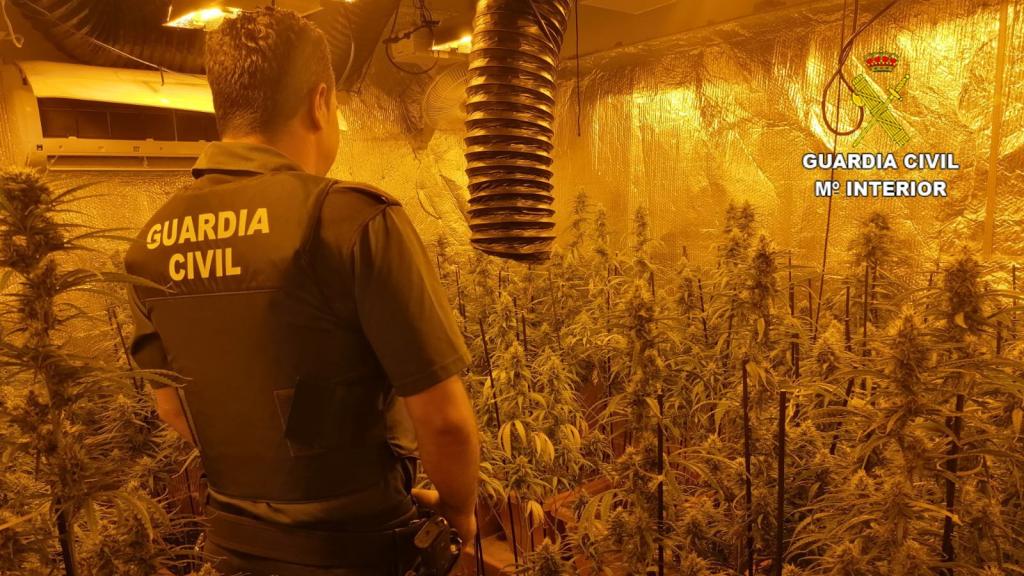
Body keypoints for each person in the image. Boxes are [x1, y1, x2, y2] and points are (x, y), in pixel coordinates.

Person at [124, 8, 479, 575]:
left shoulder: (151, 242)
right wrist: (461, 514)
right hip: (358, 548)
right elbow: (443, 419)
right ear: (321, 103)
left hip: (236, 546)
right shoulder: (347, 220)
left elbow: (172, 407)